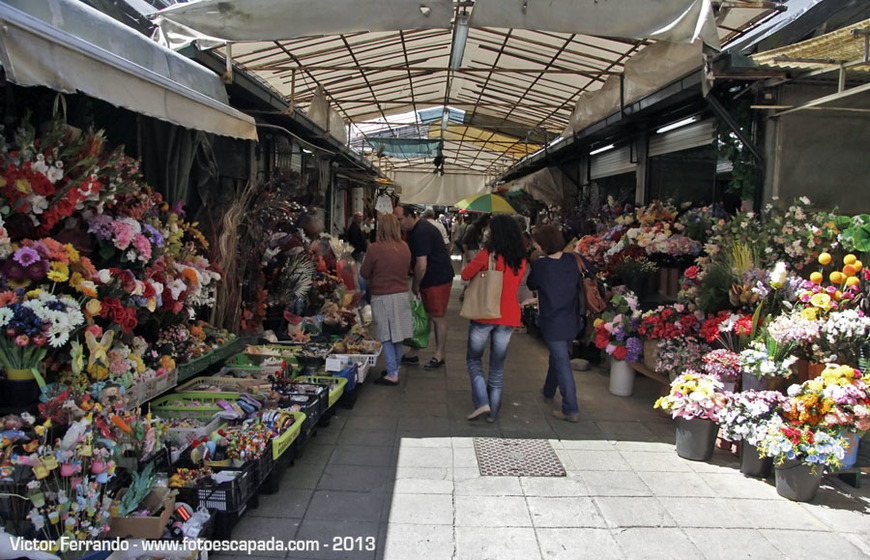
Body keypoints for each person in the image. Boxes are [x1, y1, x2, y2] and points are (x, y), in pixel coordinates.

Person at [460, 215, 527, 423]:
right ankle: (493, 413)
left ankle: (482, 402)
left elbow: (464, 275)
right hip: (508, 317)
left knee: (474, 359)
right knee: (498, 366)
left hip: (484, 313)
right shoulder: (520, 258)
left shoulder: (487, 255)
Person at [526, 225, 583, 422]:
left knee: (561, 361)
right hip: (572, 318)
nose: (534, 246)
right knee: (560, 356)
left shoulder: (542, 266)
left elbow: (531, 284)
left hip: (552, 320)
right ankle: (549, 391)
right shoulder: (573, 259)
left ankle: (571, 408)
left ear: (543, 245)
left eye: (537, 243)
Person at [394, 204, 454, 370]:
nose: (397, 223)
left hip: (437, 278)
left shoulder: (421, 231)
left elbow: (421, 265)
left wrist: (415, 285)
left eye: (399, 219)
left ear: (410, 216)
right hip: (431, 278)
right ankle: (414, 352)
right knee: (425, 315)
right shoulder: (414, 230)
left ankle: (439, 355)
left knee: (437, 316)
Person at [359, 213, 413, 386]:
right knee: (397, 334)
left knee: (386, 335)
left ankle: (392, 373)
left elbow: (364, 273)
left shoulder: (375, 248)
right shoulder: (404, 247)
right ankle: (394, 367)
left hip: (382, 296)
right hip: (402, 295)